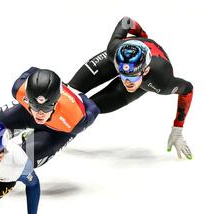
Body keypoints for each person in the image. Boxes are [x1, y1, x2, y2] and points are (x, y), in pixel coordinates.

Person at [68, 16, 194, 159]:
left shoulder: (162, 79)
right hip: (121, 57)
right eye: (123, 76)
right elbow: (126, 21)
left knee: (89, 110)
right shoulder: (113, 50)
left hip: (148, 75)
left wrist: (177, 128)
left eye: (133, 77)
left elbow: (188, 89)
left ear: (145, 71)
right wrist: (141, 36)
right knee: (70, 91)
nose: (128, 82)